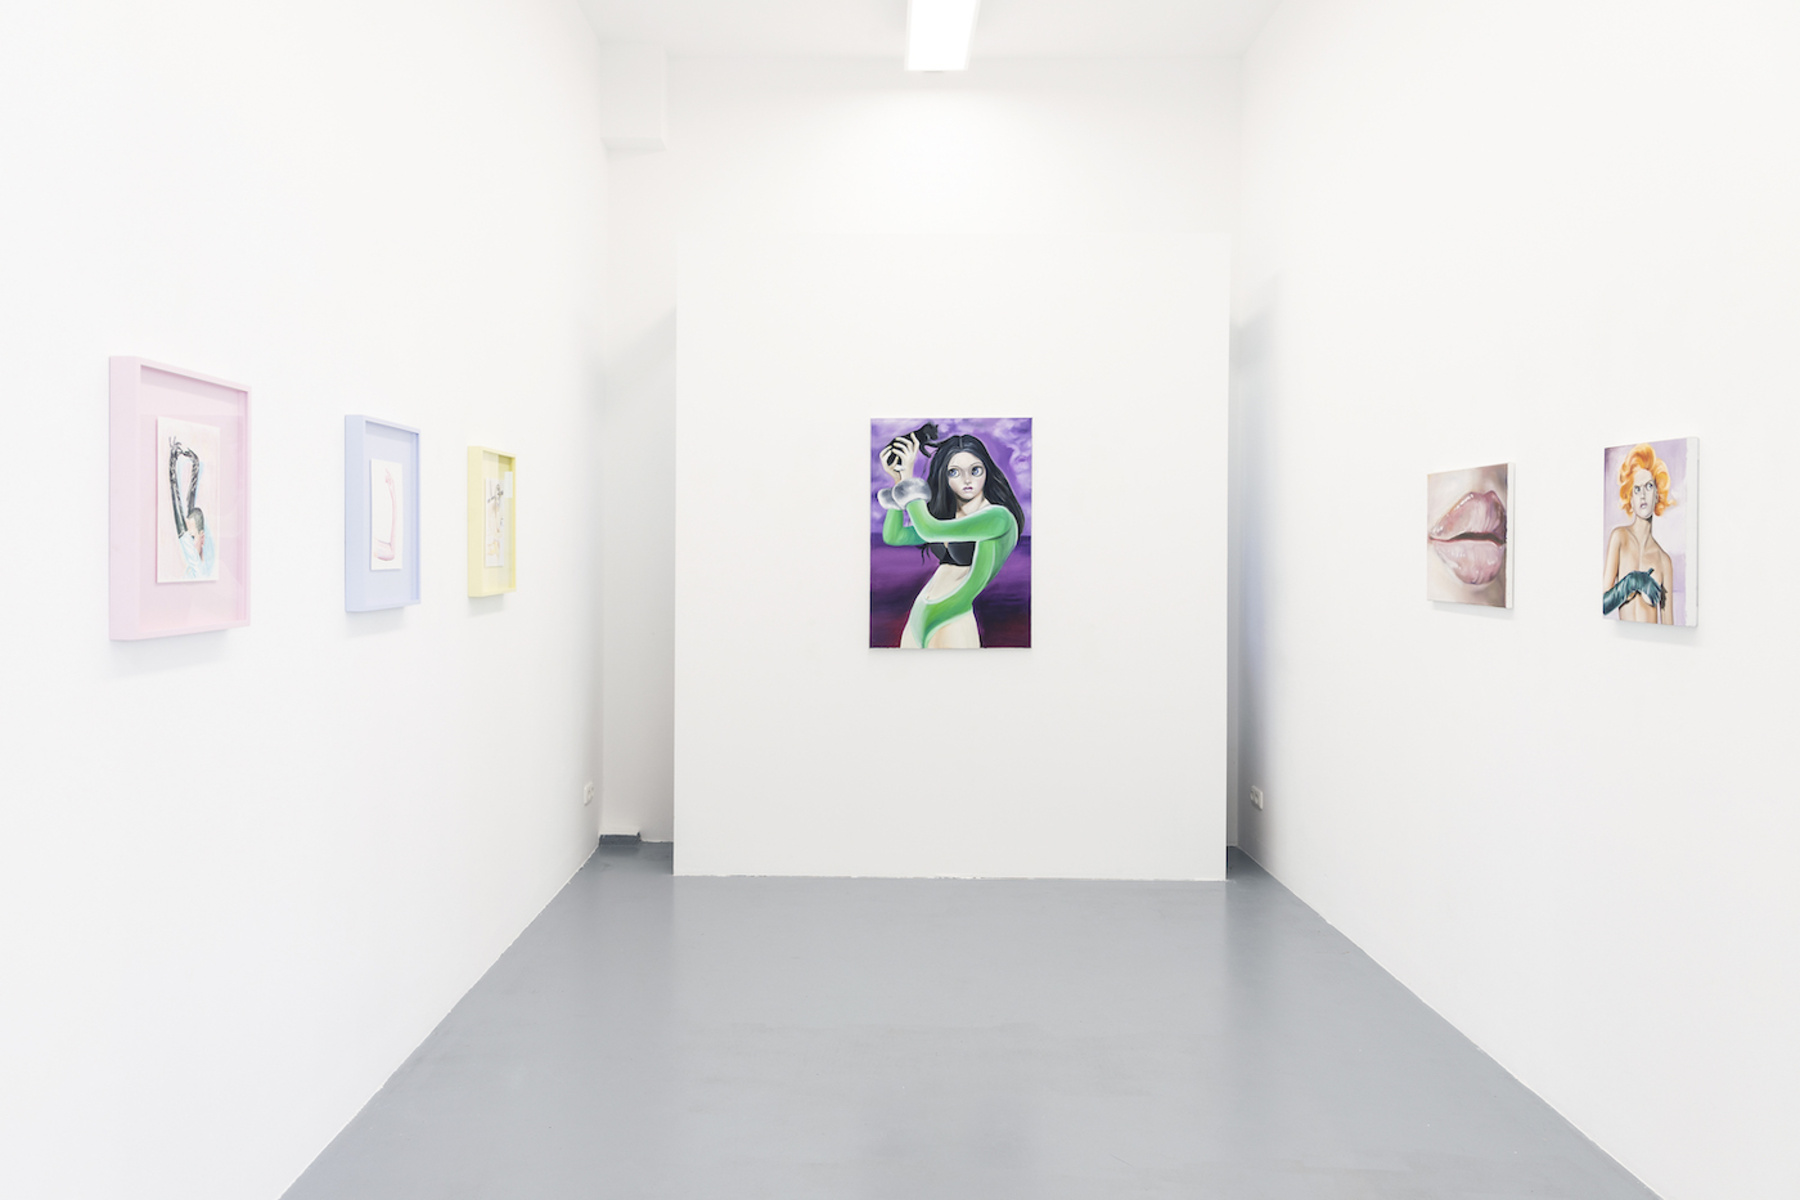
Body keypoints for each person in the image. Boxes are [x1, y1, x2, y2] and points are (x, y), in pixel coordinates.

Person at [876, 424, 1024, 649]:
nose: (967, 480)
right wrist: (898, 481)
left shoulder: (997, 517)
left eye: (975, 470)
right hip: (919, 614)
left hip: (953, 617)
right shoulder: (948, 518)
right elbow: (894, 536)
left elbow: (929, 530)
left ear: (987, 471)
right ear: (944, 476)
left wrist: (908, 479)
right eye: (954, 472)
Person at [1602, 444, 1674, 624]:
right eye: (1637, 489)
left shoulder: (1664, 561)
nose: (1643, 495)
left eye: (1649, 486)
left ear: (1657, 495)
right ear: (1631, 500)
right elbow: (1602, 605)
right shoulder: (1619, 538)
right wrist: (1632, 582)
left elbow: (1668, 623)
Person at [167, 436, 216, 580]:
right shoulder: (199, 566)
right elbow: (189, 507)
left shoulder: (197, 568)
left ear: (202, 538)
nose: (187, 541)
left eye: (192, 538)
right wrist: (195, 468)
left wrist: (172, 467)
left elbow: (178, 513)